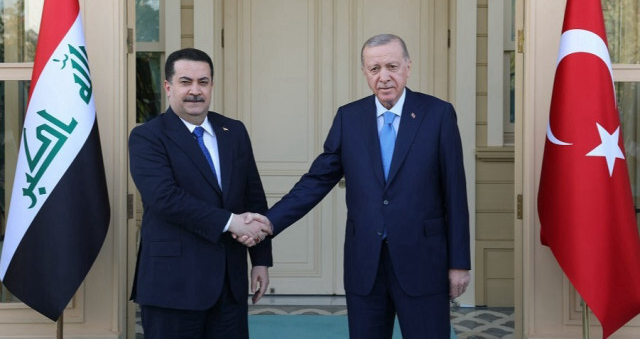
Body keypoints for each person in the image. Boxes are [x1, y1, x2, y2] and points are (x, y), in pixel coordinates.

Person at [242, 34, 471, 338]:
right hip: (366, 265)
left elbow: (455, 193)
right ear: (364, 72)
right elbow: (317, 180)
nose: (384, 77)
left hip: (424, 262)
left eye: (391, 66)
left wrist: (459, 263)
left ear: (408, 67)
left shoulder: (438, 114)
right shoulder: (350, 118)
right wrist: (270, 222)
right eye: (374, 68)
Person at [129, 48, 273, 338]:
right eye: (186, 82)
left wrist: (260, 259)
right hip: (173, 287)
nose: (195, 91)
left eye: (203, 82)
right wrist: (231, 222)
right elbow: (164, 199)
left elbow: (253, 197)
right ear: (169, 87)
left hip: (229, 286)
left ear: (211, 86)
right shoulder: (147, 136)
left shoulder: (234, 131)